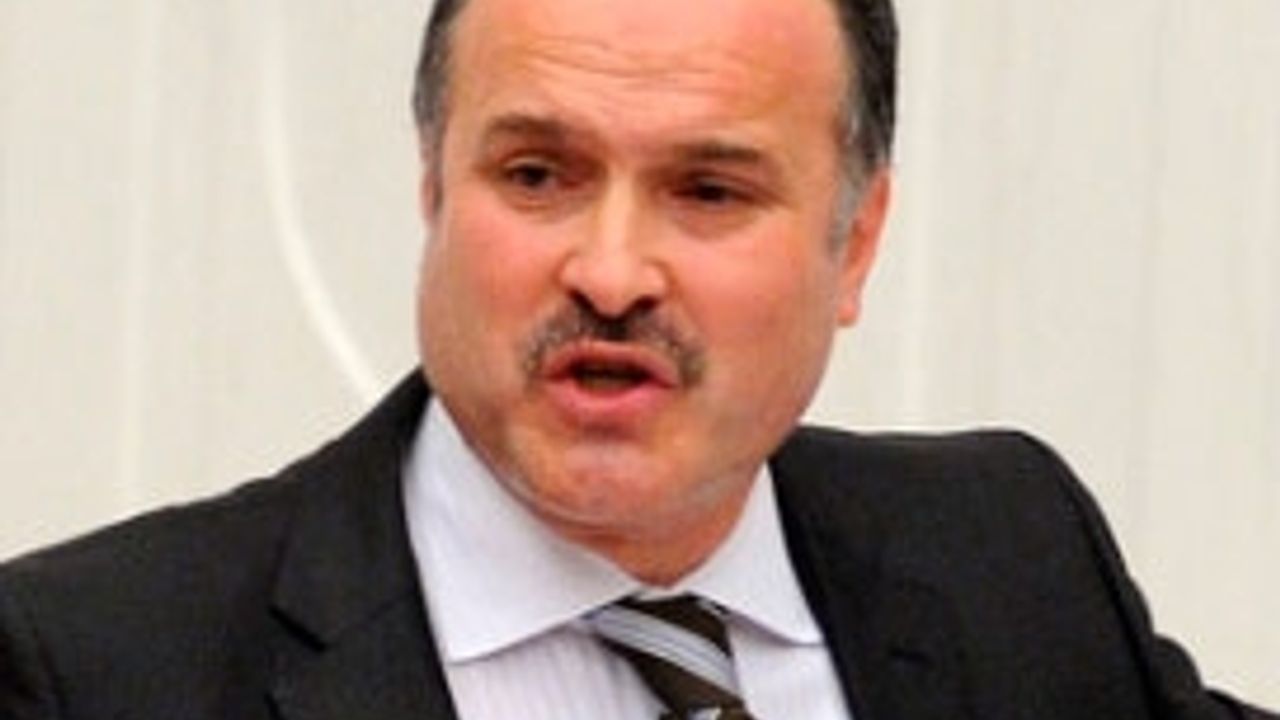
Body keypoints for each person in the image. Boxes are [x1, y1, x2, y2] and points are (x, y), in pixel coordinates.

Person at [0, 0, 1273, 718]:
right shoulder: (93, 670)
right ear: (433, 189)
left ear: (854, 243)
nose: (610, 274)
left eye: (708, 191)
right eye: (536, 175)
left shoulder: (1007, 557)